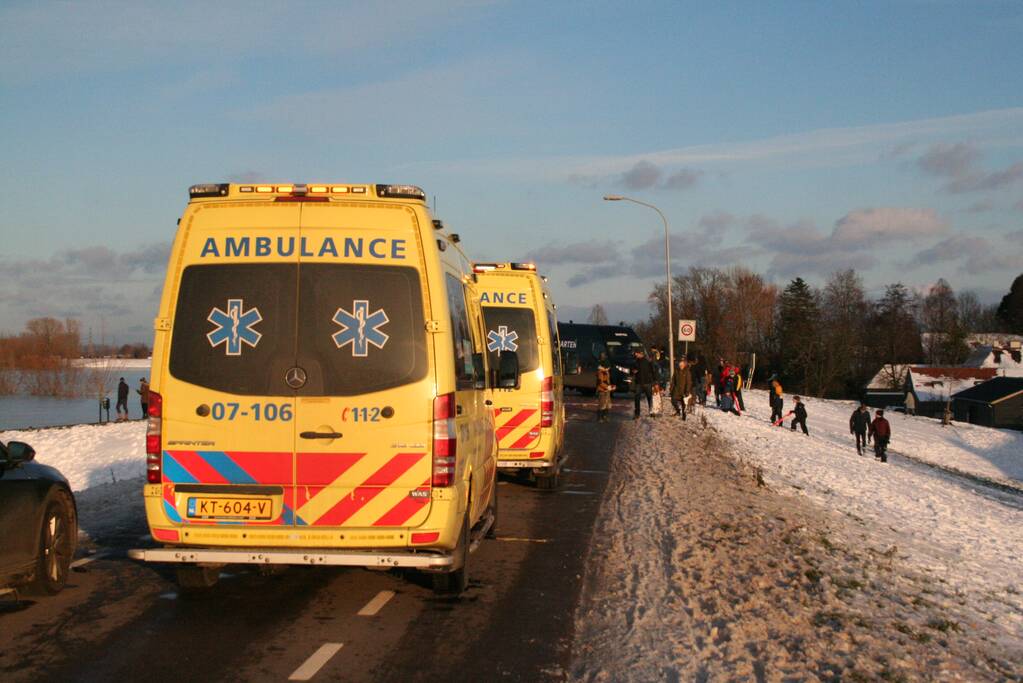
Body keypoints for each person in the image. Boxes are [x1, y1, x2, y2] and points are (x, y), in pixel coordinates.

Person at [631, 348, 656, 419]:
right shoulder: (635, 361)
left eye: (637, 353)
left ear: (641, 353)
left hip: (647, 382)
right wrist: (633, 371)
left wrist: (654, 381)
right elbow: (631, 370)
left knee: (649, 398)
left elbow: (653, 371)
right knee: (637, 398)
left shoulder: (648, 361)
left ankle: (651, 412)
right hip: (639, 383)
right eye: (635, 353)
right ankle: (637, 413)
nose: (635, 354)